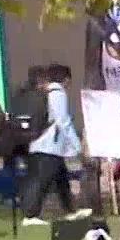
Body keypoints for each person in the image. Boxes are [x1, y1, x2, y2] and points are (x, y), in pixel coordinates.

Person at [20, 64, 86, 224]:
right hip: (49, 145)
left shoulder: (44, 92)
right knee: (41, 181)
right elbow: (62, 120)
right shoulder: (57, 93)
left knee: (61, 178)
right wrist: (77, 145)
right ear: (66, 80)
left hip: (42, 144)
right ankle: (30, 215)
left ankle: (70, 210)